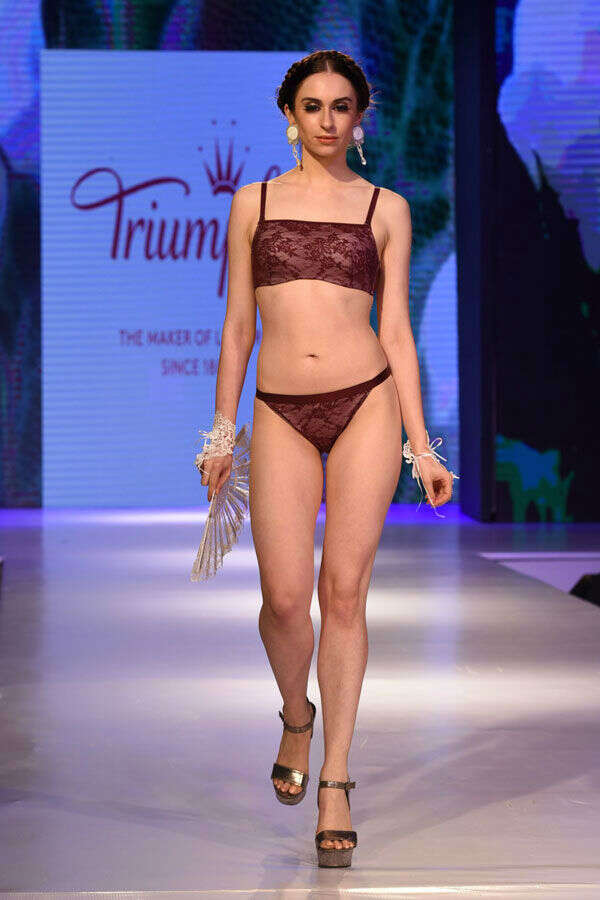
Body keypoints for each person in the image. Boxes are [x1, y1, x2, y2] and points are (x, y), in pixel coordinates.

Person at [198, 49, 455, 869]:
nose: (327, 120)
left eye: (342, 106)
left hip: (366, 404)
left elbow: (397, 332)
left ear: (360, 118)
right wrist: (220, 436)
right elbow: (238, 328)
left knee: (342, 592)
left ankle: (336, 779)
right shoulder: (252, 202)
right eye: (313, 106)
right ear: (290, 115)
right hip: (278, 410)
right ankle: (295, 716)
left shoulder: (386, 208)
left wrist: (421, 446)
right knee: (283, 599)